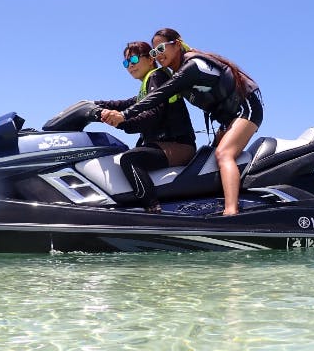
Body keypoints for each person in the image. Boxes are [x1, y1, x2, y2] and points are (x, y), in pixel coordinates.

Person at [102, 28, 264, 216]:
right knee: (208, 162)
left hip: (246, 107)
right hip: (227, 119)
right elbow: (137, 99)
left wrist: (124, 116)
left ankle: (231, 212)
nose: (158, 55)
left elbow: (159, 95)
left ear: (177, 44)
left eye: (161, 48)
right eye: (154, 52)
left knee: (223, 155)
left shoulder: (192, 67)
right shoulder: (175, 72)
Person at [94, 41, 195, 213]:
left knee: (129, 159)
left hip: (178, 146)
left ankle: (152, 208)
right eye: (126, 63)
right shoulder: (147, 85)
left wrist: (122, 122)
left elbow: (152, 116)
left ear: (150, 59)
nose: (130, 65)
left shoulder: (158, 76)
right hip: (164, 146)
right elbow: (125, 103)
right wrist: (94, 105)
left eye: (133, 59)